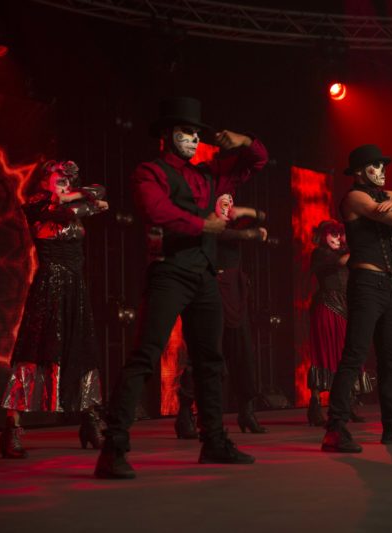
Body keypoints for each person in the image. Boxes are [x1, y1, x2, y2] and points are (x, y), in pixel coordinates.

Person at [94, 96, 267, 479]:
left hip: (205, 274)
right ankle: (114, 447)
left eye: (196, 134)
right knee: (145, 355)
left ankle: (214, 443)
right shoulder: (149, 171)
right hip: (169, 271)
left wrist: (242, 140)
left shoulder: (207, 174)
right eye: (185, 132)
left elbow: (257, 160)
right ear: (167, 135)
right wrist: (202, 225)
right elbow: (155, 211)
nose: (192, 139)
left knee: (210, 361)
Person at [321, 144, 392, 453]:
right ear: (359, 172)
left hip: (389, 284)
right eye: (375, 167)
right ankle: (335, 428)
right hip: (366, 283)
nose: (382, 171)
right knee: (355, 355)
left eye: (384, 167)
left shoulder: (386, 196)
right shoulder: (356, 197)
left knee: (391, 358)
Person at [0, 160, 108, 458]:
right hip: (50, 284)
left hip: (76, 287)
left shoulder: (69, 199)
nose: (65, 182)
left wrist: (79, 197)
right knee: (34, 351)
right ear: (45, 179)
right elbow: (74, 208)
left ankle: (89, 420)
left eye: (69, 179)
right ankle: (12, 427)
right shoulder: (35, 204)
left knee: (83, 349)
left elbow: (102, 193)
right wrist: (82, 200)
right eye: (59, 178)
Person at [175, 192, 270, 438]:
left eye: (230, 201)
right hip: (211, 289)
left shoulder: (231, 220)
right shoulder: (208, 225)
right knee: (205, 353)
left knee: (243, 352)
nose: (228, 206)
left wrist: (242, 211)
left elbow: (262, 216)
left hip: (235, 292)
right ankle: (186, 414)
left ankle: (246, 411)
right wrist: (253, 233)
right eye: (223, 202)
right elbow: (237, 235)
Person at [307, 219, 372, 427]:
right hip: (327, 307)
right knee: (324, 354)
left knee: (349, 353)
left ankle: (348, 402)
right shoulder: (320, 254)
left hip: (345, 307)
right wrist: (357, 248)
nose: (336, 238)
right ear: (323, 236)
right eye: (332, 234)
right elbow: (340, 261)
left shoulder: (344, 252)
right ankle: (315, 405)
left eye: (338, 234)